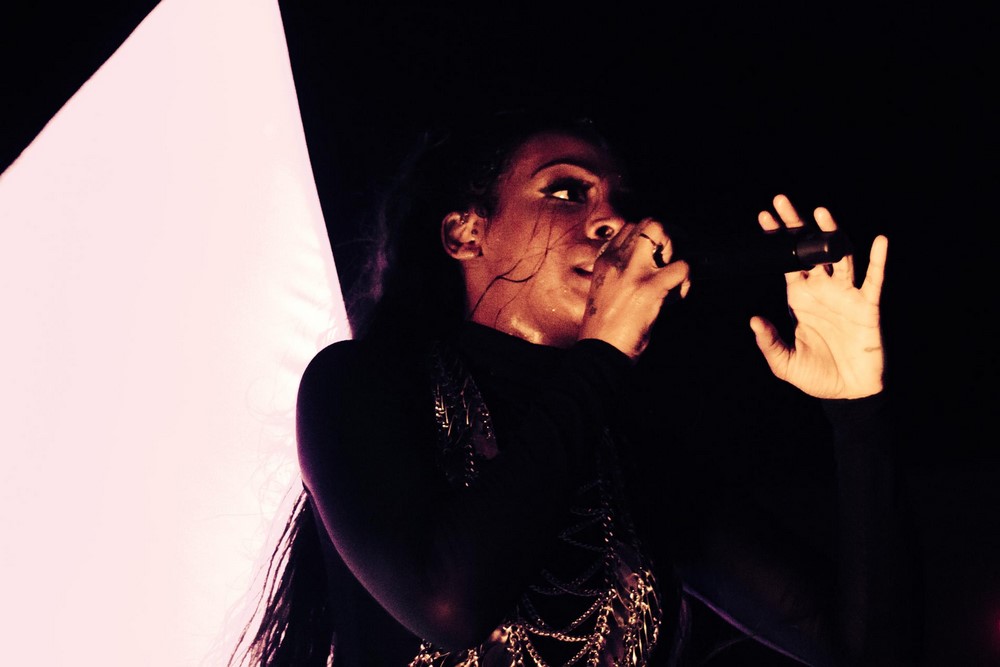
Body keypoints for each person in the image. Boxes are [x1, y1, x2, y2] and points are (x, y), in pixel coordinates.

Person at [229, 108, 919, 666]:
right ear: (466, 233)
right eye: (566, 191)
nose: (613, 220)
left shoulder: (631, 455)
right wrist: (604, 352)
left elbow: (864, 650)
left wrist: (856, 413)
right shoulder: (359, 387)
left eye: (622, 201)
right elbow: (449, 605)